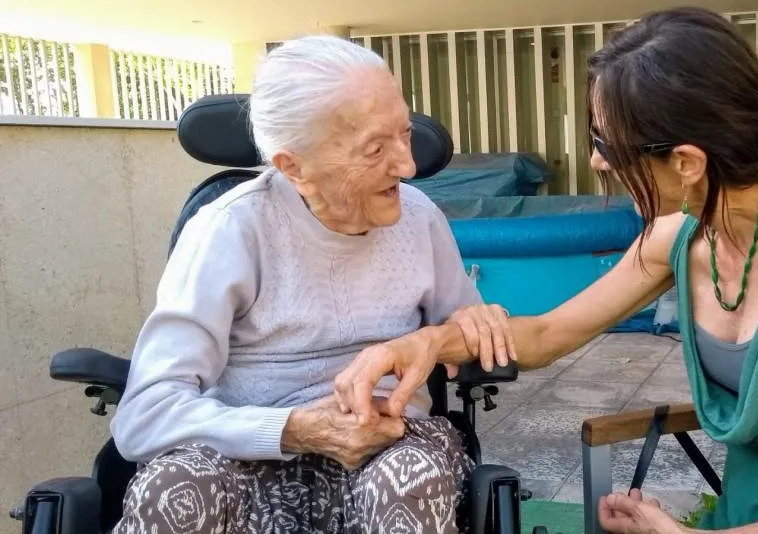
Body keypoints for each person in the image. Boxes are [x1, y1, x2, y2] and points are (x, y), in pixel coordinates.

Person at [333, 6, 758, 534]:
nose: (598, 163)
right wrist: (427, 342)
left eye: (606, 142)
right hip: (757, 509)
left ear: (685, 161)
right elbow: (547, 336)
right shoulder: (678, 237)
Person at [109, 35, 485, 534]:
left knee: (408, 480)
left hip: (392, 449)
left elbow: (469, 336)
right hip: (246, 460)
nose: (408, 166)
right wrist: (292, 430)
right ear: (293, 168)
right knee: (172, 488)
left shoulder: (421, 219)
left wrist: (474, 326)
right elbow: (145, 416)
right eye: (376, 148)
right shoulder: (229, 229)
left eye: (405, 134)